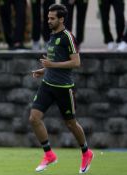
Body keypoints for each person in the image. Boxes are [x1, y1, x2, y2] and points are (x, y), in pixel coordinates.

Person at [29, 4, 93, 173]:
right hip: (47, 85)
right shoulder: (52, 35)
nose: (48, 20)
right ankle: (49, 154)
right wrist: (44, 70)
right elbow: (54, 62)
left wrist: (51, 65)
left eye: (52, 18)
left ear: (61, 19)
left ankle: (86, 153)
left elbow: (76, 62)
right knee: (34, 118)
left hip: (64, 88)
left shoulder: (68, 37)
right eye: (48, 18)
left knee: (71, 124)